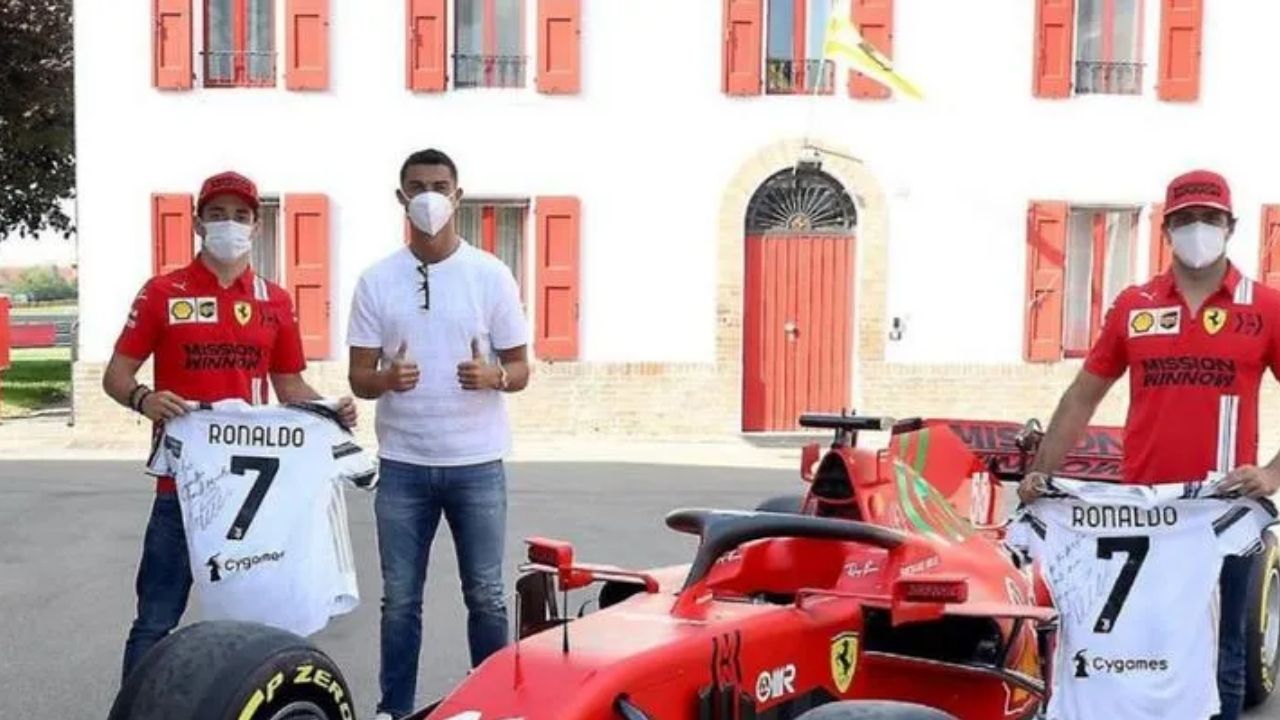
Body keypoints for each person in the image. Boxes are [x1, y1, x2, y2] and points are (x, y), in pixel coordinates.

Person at [1018, 169, 1280, 720]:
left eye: (1210, 219)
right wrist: (1041, 474)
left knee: (1223, 655)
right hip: (1143, 513)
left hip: (1223, 512)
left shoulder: (1267, 306)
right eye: (1185, 220)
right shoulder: (1134, 305)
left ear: (1230, 226)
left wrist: (1274, 474)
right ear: (1166, 230)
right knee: (1138, 647)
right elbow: (1081, 398)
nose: (1198, 230)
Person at [104, 170, 357, 682]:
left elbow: (290, 389)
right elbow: (116, 374)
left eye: (240, 216)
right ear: (198, 224)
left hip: (254, 497)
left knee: (256, 622)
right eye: (216, 215)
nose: (228, 225)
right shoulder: (161, 292)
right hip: (181, 487)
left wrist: (331, 411)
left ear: (256, 226)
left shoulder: (275, 300)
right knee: (155, 620)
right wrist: (144, 398)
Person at [346, 148, 530, 720]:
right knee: (400, 600)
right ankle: (393, 709)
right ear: (401, 197)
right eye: (417, 186)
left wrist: (494, 375)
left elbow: (522, 369)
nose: (429, 195)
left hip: (477, 463)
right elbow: (358, 378)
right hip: (403, 464)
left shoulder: (491, 275)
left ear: (458, 195)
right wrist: (385, 379)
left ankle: (494, 706)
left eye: (439, 185)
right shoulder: (377, 280)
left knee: (487, 596)